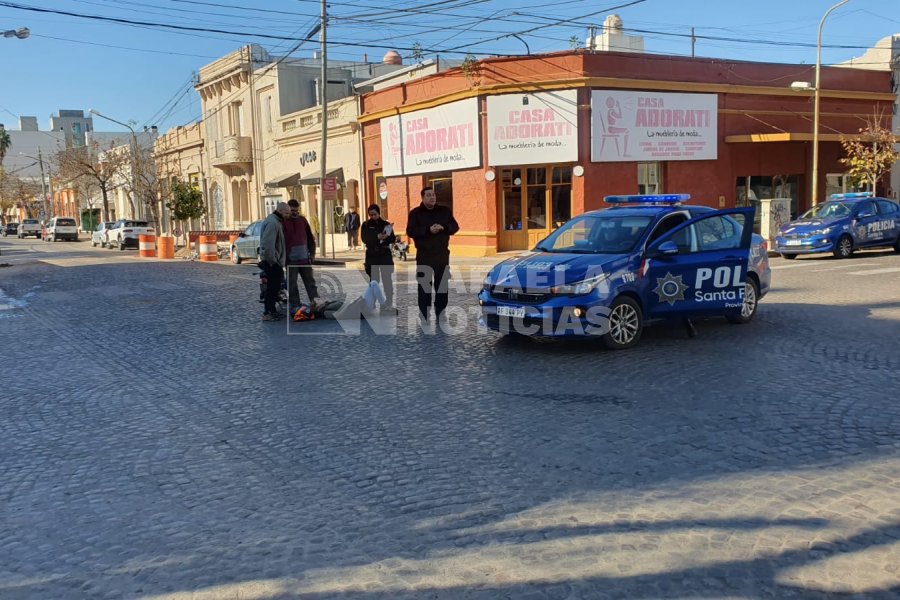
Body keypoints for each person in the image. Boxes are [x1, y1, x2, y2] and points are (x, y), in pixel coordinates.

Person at [406, 187, 459, 320]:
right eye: (429, 195)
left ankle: (440, 311)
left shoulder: (444, 211)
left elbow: (455, 226)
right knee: (424, 286)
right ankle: (425, 312)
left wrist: (444, 228)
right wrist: (428, 230)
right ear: (423, 198)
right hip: (424, 255)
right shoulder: (415, 213)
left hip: (441, 255)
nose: (432, 197)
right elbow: (411, 231)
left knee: (442, 286)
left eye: (433, 195)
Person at [284, 199, 321, 312]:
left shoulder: (303, 220)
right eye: (292, 211)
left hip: (305, 259)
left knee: (310, 283)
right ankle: (295, 306)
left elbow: (310, 239)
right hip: (291, 261)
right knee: (292, 285)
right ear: (288, 210)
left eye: (296, 210)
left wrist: (312, 254)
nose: (294, 213)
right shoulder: (283, 222)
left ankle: (316, 303)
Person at [360, 204, 396, 312]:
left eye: (374, 214)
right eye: (370, 214)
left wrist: (387, 237)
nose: (372, 216)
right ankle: (372, 302)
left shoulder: (386, 224)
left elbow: (392, 238)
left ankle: (388, 302)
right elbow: (364, 238)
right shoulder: (366, 225)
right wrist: (376, 237)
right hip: (372, 255)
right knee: (374, 280)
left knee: (387, 280)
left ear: (378, 213)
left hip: (384, 254)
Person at [259, 202, 291, 321]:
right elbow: (268, 245)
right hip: (272, 262)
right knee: (272, 289)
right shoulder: (273, 223)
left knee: (274, 288)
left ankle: (271, 310)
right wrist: (273, 261)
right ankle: (268, 312)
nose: (288, 215)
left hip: (274, 261)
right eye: (287, 213)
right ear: (281, 211)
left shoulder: (275, 221)